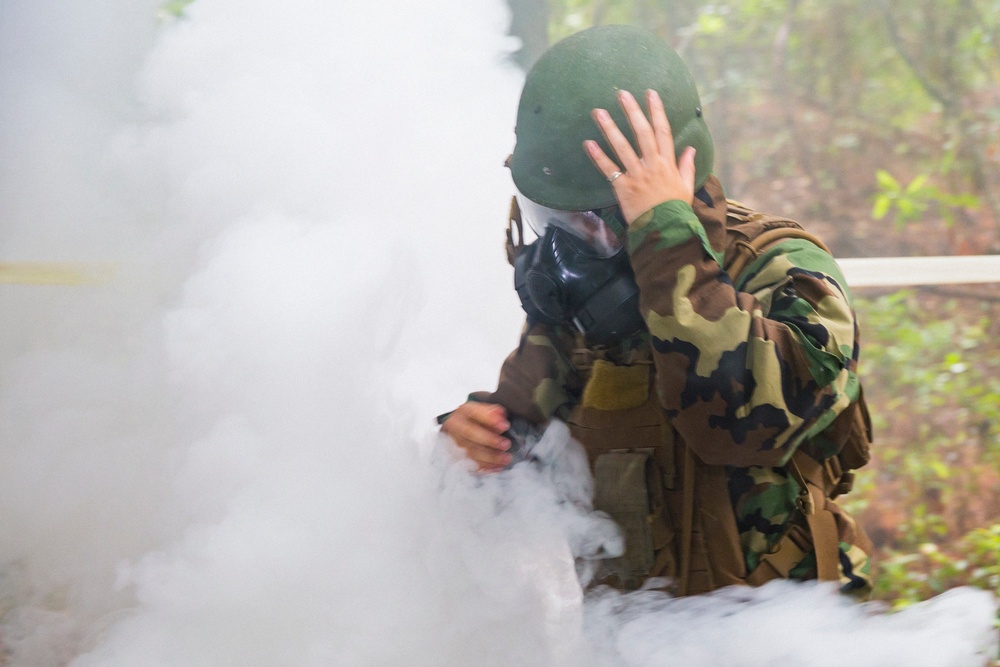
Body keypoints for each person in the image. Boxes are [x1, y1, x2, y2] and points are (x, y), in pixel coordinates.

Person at [441, 24, 873, 597]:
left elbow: (744, 426)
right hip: (638, 638)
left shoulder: (781, 269)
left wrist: (665, 240)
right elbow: (523, 451)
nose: (568, 247)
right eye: (554, 220)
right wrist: (472, 444)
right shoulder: (580, 308)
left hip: (785, 633)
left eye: (591, 221)